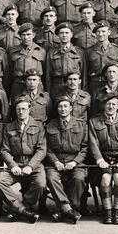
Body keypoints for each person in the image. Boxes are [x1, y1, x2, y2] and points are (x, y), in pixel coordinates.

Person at [0, 96, 47, 223]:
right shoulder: (9, 127)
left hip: (33, 164)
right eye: (18, 109)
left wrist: (31, 166)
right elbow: (4, 150)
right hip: (16, 163)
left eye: (23, 109)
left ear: (29, 109)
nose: (21, 112)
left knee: (41, 184)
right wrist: (12, 165)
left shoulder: (38, 125)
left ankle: (20, 207)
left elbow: (41, 149)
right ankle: (22, 210)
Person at [88, 91, 118, 224]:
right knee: (105, 179)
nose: (111, 107)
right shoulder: (94, 121)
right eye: (108, 104)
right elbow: (93, 143)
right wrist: (99, 160)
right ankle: (107, 212)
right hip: (103, 158)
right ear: (103, 105)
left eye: (114, 104)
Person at [44, 95, 88, 224]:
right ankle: (68, 209)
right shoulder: (50, 125)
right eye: (60, 106)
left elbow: (85, 148)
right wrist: (55, 161)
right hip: (56, 161)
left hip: (76, 161)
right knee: (51, 178)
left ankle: (65, 209)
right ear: (57, 109)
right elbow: (47, 148)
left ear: (70, 108)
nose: (62, 109)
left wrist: (74, 162)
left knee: (78, 178)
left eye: (65, 106)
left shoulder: (81, 124)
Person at [45, 22, 87, 95]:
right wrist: (48, 92)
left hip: (74, 87)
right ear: (58, 35)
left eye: (67, 33)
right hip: (57, 88)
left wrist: (83, 91)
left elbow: (84, 74)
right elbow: (48, 76)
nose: (64, 35)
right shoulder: (51, 53)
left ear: (71, 35)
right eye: (62, 33)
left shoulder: (79, 52)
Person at [7, 23, 46, 98]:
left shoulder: (41, 51)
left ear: (33, 35)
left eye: (28, 34)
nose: (26, 37)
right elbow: (9, 72)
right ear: (19, 36)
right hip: (18, 85)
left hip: (36, 85)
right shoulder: (13, 51)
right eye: (23, 35)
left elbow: (45, 71)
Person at [86, 20, 118, 94]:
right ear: (95, 34)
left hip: (112, 84)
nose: (100, 34)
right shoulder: (89, 51)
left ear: (109, 32)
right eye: (98, 32)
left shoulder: (117, 50)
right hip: (95, 85)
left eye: (103, 31)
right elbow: (85, 73)